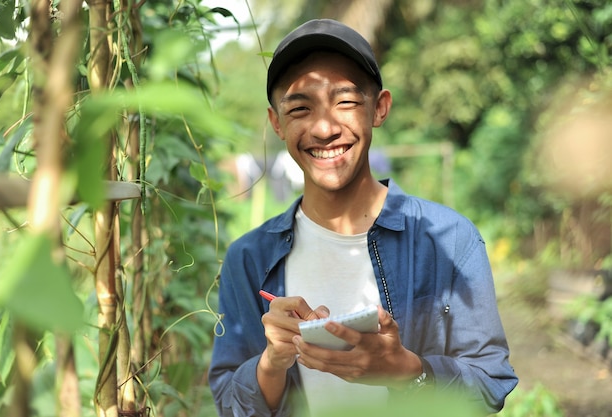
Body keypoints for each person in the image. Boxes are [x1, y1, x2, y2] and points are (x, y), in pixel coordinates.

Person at [208, 18, 518, 417]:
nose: (323, 128)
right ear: (277, 124)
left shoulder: (450, 239)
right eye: (300, 108)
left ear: (380, 107)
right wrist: (272, 362)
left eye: (346, 102)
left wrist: (408, 370)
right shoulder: (248, 259)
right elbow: (229, 402)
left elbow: (491, 382)